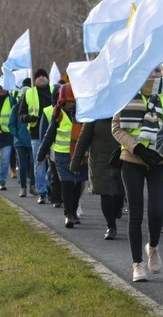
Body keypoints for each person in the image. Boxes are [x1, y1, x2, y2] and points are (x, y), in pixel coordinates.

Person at [112, 66, 163, 283]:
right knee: (136, 213)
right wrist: (138, 148)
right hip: (133, 159)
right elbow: (116, 128)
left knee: (157, 211)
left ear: (162, 74)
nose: (152, 74)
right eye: (148, 69)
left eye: (157, 71)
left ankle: (153, 247)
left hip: (161, 160)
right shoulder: (127, 94)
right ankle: (137, 264)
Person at [38, 84, 88, 228]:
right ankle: (69, 215)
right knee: (67, 184)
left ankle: (73, 210)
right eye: (68, 101)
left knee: (78, 183)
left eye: (72, 101)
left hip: (79, 155)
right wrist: (41, 154)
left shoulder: (83, 113)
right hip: (61, 155)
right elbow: (49, 134)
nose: (70, 104)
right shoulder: (57, 113)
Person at [71, 116, 125, 240]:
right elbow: (83, 140)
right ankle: (111, 226)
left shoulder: (123, 111)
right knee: (105, 193)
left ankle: (118, 208)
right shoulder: (94, 116)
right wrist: (75, 162)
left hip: (120, 159)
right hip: (99, 162)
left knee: (119, 193)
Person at [19, 68, 54, 204]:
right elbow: (21, 115)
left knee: (54, 164)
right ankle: (42, 192)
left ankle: (52, 189)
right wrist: (28, 118)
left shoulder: (54, 91)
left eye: (43, 76)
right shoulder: (29, 93)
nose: (41, 78)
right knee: (39, 164)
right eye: (38, 76)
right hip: (36, 134)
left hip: (53, 134)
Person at [9, 88, 34, 197]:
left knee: (33, 164)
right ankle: (23, 188)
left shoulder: (33, 108)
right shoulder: (16, 108)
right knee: (22, 165)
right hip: (20, 142)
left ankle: (33, 186)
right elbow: (11, 124)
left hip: (32, 140)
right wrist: (17, 134)